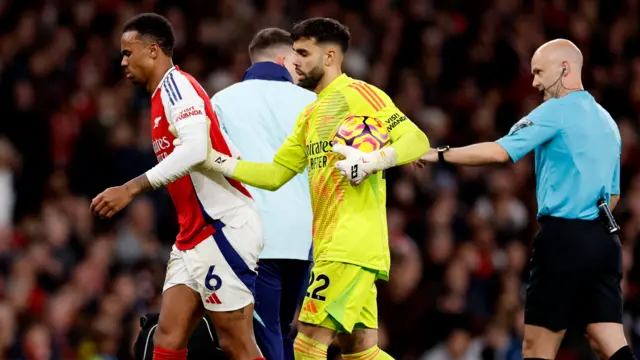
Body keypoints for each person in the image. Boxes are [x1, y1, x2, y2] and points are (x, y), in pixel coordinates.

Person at [180, 17, 430, 360]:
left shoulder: (358, 94)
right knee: (360, 351)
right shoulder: (310, 114)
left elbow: (416, 138)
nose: (295, 61)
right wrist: (212, 160)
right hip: (330, 246)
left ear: (329, 57)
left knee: (305, 345)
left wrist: (372, 161)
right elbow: (274, 173)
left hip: (349, 244)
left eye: (303, 53)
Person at [418, 39, 634, 360]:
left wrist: (439, 154)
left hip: (563, 238)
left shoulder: (555, 110)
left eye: (538, 72)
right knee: (606, 335)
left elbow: (499, 151)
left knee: (536, 348)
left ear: (564, 68)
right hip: (604, 241)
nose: (533, 82)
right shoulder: (608, 122)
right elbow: (613, 195)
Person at [89, 13, 264, 360]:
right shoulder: (156, 100)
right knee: (167, 336)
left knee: (236, 343)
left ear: (153, 51)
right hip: (192, 237)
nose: (122, 61)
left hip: (222, 229)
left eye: (128, 52)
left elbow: (197, 149)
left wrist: (132, 188)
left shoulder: (176, 86)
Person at [211, 28, 316, 360]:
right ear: (284, 60)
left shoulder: (222, 101)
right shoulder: (314, 103)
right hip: (304, 238)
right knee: (284, 332)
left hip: (251, 239)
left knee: (264, 337)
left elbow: (213, 170)